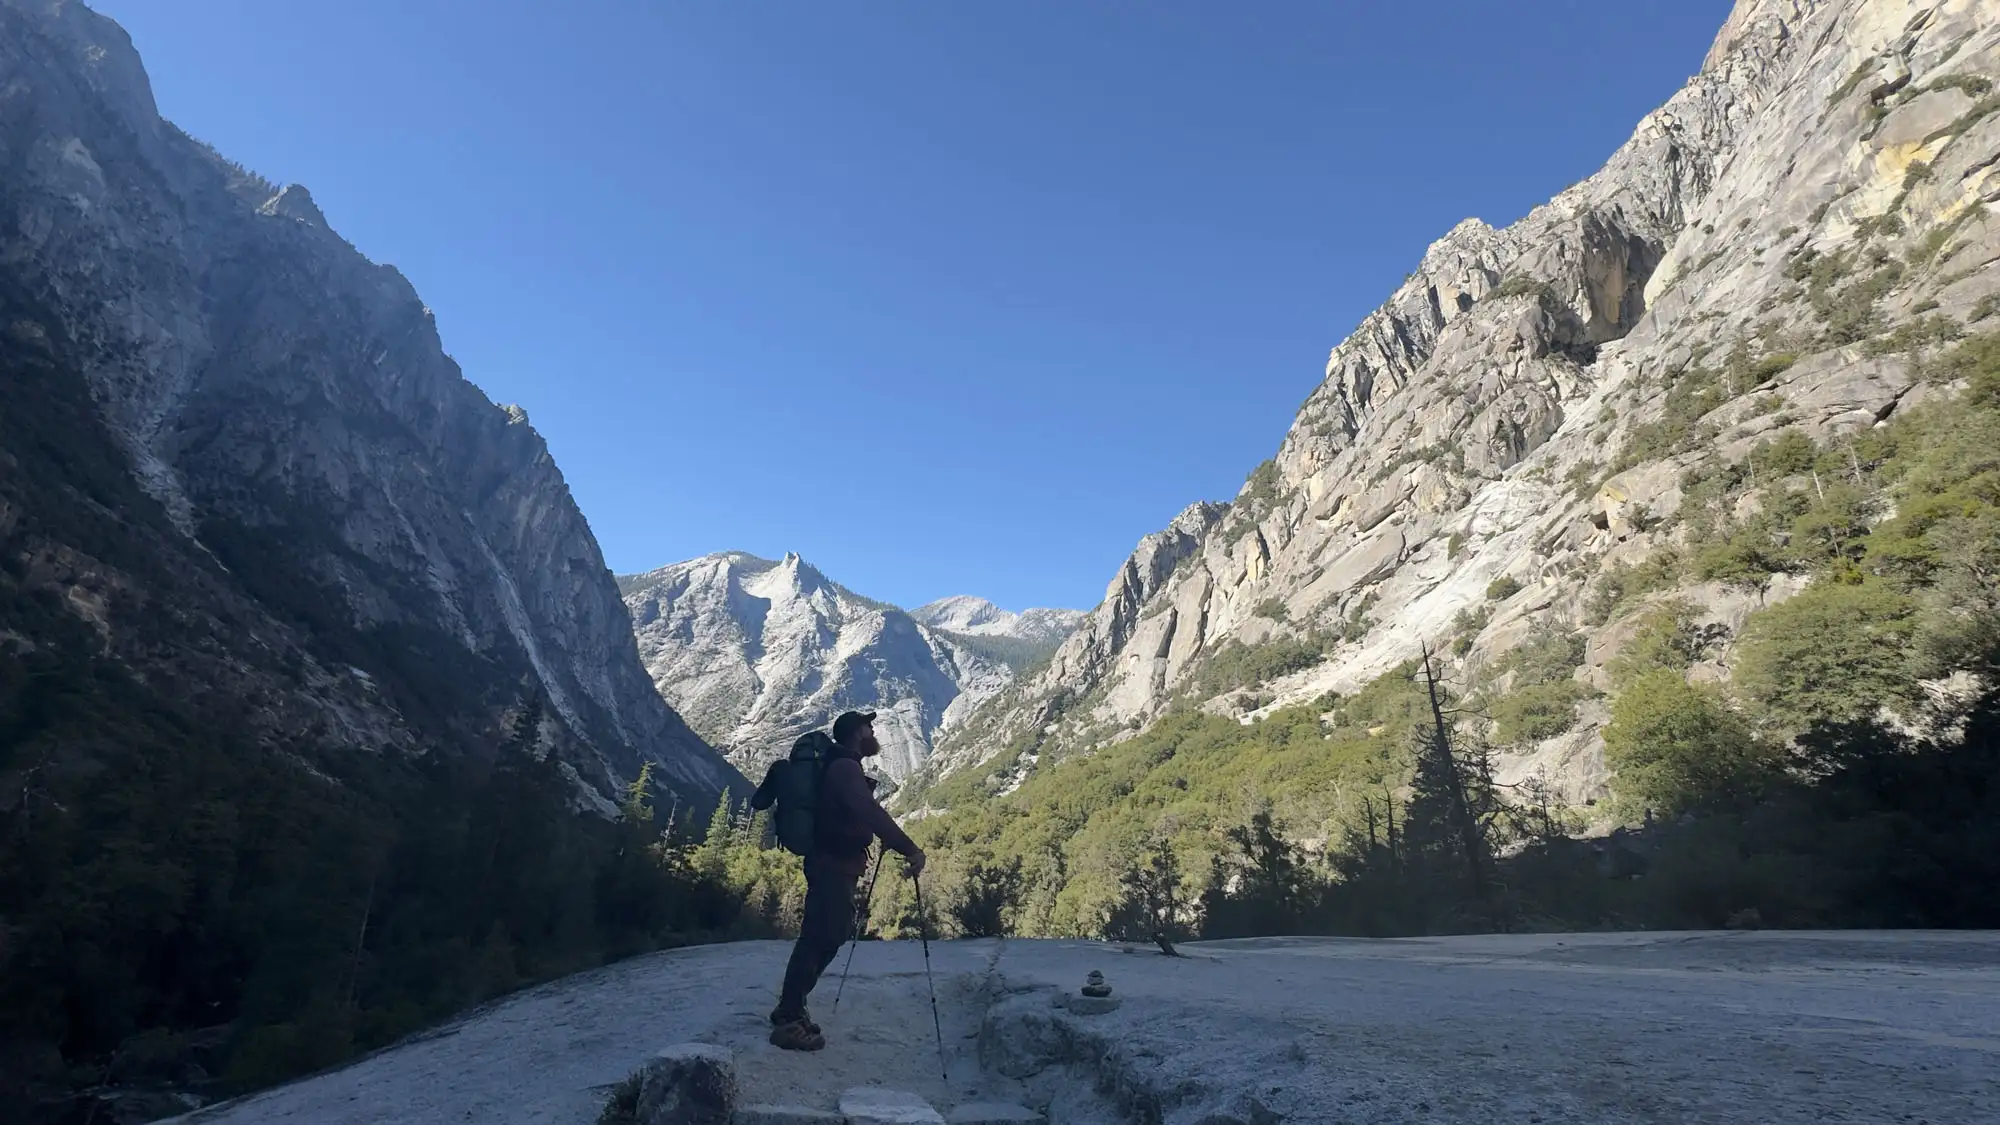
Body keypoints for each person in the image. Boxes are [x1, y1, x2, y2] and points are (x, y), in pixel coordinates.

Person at [768, 710, 925, 1051]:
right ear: (857, 733)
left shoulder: (842, 766)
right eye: (869, 727)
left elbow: (859, 813)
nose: (873, 731)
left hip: (836, 863)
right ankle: (788, 1016)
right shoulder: (845, 768)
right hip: (832, 865)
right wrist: (909, 848)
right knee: (818, 936)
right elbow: (868, 811)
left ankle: (794, 1006)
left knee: (830, 934)